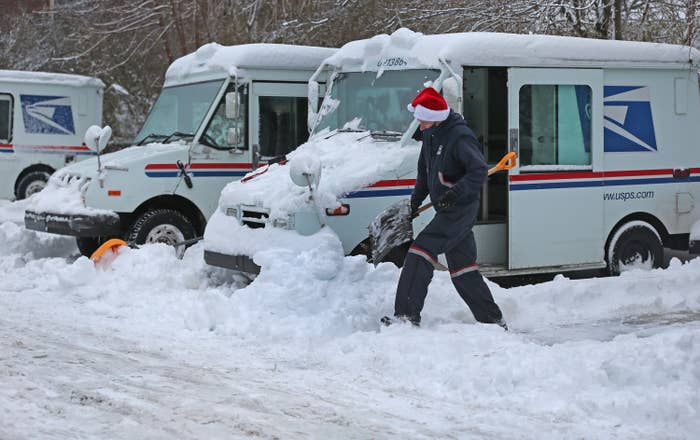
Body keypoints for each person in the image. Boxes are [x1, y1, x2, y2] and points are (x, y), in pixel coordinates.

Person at [381, 87, 507, 330]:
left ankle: (406, 317)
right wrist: (414, 203)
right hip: (446, 208)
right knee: (463, 269)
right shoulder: (430, 134)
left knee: (420, 251)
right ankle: (493, 320)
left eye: (423, 119)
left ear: (436, 116)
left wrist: (455, 192)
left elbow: (478, 170)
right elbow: (424, 174)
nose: (419, 123)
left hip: (460, 209)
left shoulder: (460, 136)